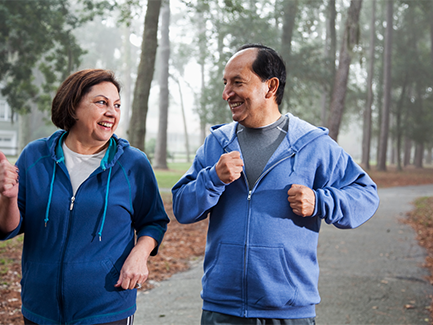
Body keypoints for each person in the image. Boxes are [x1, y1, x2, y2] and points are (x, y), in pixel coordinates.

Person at [172, 44, 380, 324]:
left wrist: (320, 202)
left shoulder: (313, 144)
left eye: (237, 83)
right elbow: (183, 208)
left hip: (289, 311)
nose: (226, 94)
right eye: (225, 84)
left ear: (270, 87)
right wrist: (213, 178)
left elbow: (366, 195)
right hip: (223, 309)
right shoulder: (217, 144)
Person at [0, 69, 170, 325]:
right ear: (73, 106)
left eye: (117, 105)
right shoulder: (35, 157)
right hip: (40, 309)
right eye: (101, 102)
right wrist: (8, 198)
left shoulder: (133, 163)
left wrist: (139, 255)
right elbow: (8, 229)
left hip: (107, 307)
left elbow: (154, 221)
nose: (112, 112)